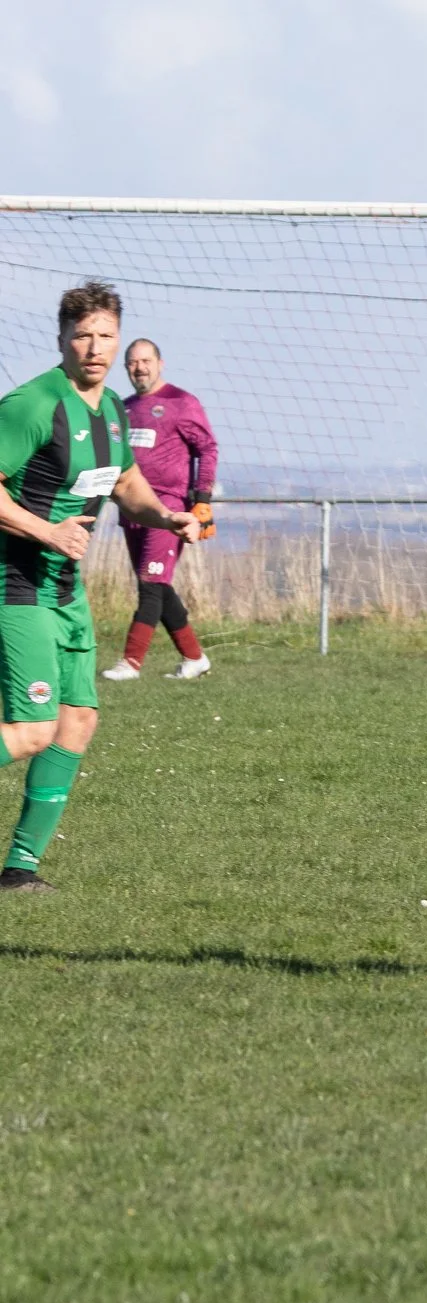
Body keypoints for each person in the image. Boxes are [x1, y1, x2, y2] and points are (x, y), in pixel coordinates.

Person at [0, 283, 200, 892]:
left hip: (64, 591)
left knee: (78, 721)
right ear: (61, 338)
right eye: (82, 335)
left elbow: (127, 483)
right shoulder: (33, 405)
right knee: (32, 731)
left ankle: (20, 871)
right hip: (15, 583)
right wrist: (47, 531)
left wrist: (166, 516)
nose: (95, 347)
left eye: (106, 335)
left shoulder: (112, 407)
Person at [102, 337, 217, 681]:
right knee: (156, 584)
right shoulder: (122, 409)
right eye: (133, 363)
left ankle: (130, 662)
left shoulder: (181, 402)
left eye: (146, 360)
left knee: (151, 583)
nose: (140, 368)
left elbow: (207, 449)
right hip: (133, 510)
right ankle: (195, 658)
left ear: (160, 363)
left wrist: (202, 501)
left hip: (169, 511)